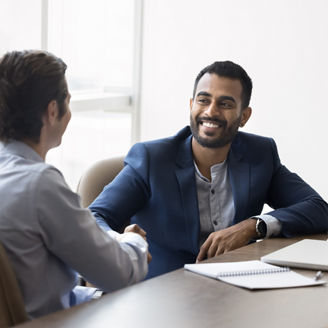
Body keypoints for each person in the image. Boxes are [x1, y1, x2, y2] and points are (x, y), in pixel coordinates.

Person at [89, 60, 328, 279]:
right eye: (203, 100)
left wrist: (252, 226)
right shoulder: (152, 159)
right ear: (192, 105)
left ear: (244, 116)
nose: (211, 111)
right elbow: (94, 217)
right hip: (161, 293)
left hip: (234, 290)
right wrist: (122, 241)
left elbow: (318, 209)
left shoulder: (260, 154)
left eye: (225, 104)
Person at [0, 50, 150, 319]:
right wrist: (133, 242)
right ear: (53, 110)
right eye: (68, 101)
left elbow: (39, 291)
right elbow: (120, 275)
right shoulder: (39, 185)